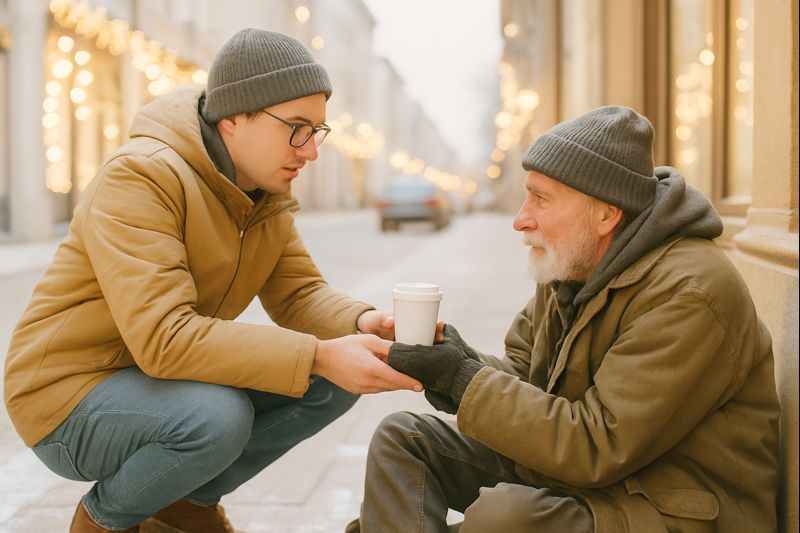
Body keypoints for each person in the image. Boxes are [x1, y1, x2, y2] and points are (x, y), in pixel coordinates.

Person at [4, 28, 427, 533]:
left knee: (332, 380)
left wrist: (364, 322)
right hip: (68, 396)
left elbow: (298, 293)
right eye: (296, 127)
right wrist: (317, 353)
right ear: (233, 118)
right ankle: (105, 519)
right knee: (216, 416)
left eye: (317, 131)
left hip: (155, 381)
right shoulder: (141, 176)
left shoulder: (261, 195)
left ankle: (182, 503)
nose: (310, 150)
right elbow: (164, 339)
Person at [348, 106, 780, 532]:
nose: (520, 219)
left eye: (541, 198)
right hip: (595, 480)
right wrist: (453, 367)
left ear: (606, 213)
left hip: (675, 504)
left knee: (502, 519)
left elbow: (597, 445)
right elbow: (524, 378)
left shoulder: (689, 292)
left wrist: (465, 379)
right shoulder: (575, 265)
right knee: (403, 439)